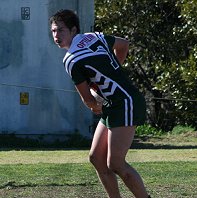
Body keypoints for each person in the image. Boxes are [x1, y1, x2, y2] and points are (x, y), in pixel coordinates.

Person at [50, 9, 151, 198]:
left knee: (116, 164)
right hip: (117, 102)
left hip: (124, 102)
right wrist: (115, 70)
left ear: (73, 30)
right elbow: (124, 45)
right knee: (96, 158)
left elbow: (88, 100)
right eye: (54, 31)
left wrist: (95, 103)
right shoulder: (93, 36)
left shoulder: (71, 59)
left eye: (61, 30)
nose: (56, 36)